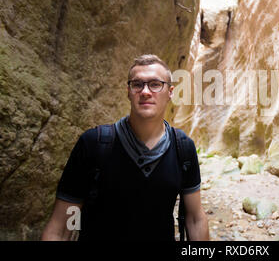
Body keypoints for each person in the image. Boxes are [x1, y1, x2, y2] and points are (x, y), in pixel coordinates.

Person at [41, 54, 209, 240]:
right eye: (137, 84)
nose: (145, 91)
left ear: (170, 92)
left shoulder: (183, 149)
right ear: (128, 91)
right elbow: (60, 228)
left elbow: (195, 219)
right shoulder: (94, 144)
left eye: (155, 84)